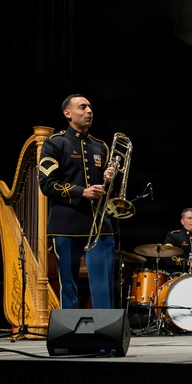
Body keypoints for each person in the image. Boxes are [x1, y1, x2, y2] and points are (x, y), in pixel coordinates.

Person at [38, 94, 117, 309]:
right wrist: (82, 192)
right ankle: (71, 336)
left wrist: (109, 180)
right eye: (82, 107)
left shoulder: (100, 146)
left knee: (103, 288)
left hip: (98, 224)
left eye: (90, 106)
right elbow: (46, 184)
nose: (89, 110)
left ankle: (104, 337)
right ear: (68, 114)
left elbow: (105, 191)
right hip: (67, 224)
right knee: (69, 287)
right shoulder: (55, 143)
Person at [162, 207, 192, 275]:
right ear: (182, 221)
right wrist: (186, 262)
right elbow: (167, 257)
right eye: (189, 218)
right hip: (178, 273)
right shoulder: (173, 235)